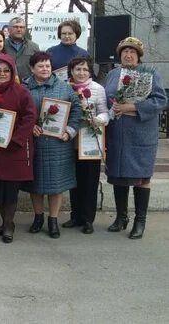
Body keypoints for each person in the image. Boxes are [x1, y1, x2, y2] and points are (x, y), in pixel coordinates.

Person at [105, 37, 167, 239]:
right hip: (117, 133)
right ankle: (121, 217)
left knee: (141, 178)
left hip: (140, 134)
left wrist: (132, 107)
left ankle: (140, 221)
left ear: (138, 55)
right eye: (124, 51)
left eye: (132, 51)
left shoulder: (150, 74)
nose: (128, 55)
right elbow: (106, 98)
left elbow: (160, 100)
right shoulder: (113, 74)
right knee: (118, 176)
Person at [23, 52, 81, 238]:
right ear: (32, 68)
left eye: (48, 65)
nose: (45, 69)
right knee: (35, 184)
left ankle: (53, 220)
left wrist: (70, 131)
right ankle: (38, 217)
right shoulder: (24, 88)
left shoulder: (64, 87)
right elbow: (18, 111)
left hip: (58, 144)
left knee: (56, 184)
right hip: (34, 143)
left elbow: (77, 110)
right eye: (40, 66)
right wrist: (29, 126)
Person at [0, 55, 37, 243]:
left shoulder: (22, 92)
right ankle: (5, 222)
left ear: (12, 73)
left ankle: (8, 225)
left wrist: (17, 139)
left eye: (6, 71)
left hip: (14, 148)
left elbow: (30, 118)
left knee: (11, 189)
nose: (2, 74)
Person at [62, 56, 109, 234]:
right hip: (70, 140)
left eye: (85, 70)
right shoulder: (65, 88)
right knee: (74, 180)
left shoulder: (97, 89)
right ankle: (75, 216)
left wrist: (98, 120)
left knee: (90, 180)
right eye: (77, 69)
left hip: (90, 140)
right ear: (71, 71)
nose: (81, 73)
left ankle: (88, 219)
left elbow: (105, 112)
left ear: (90, 72)